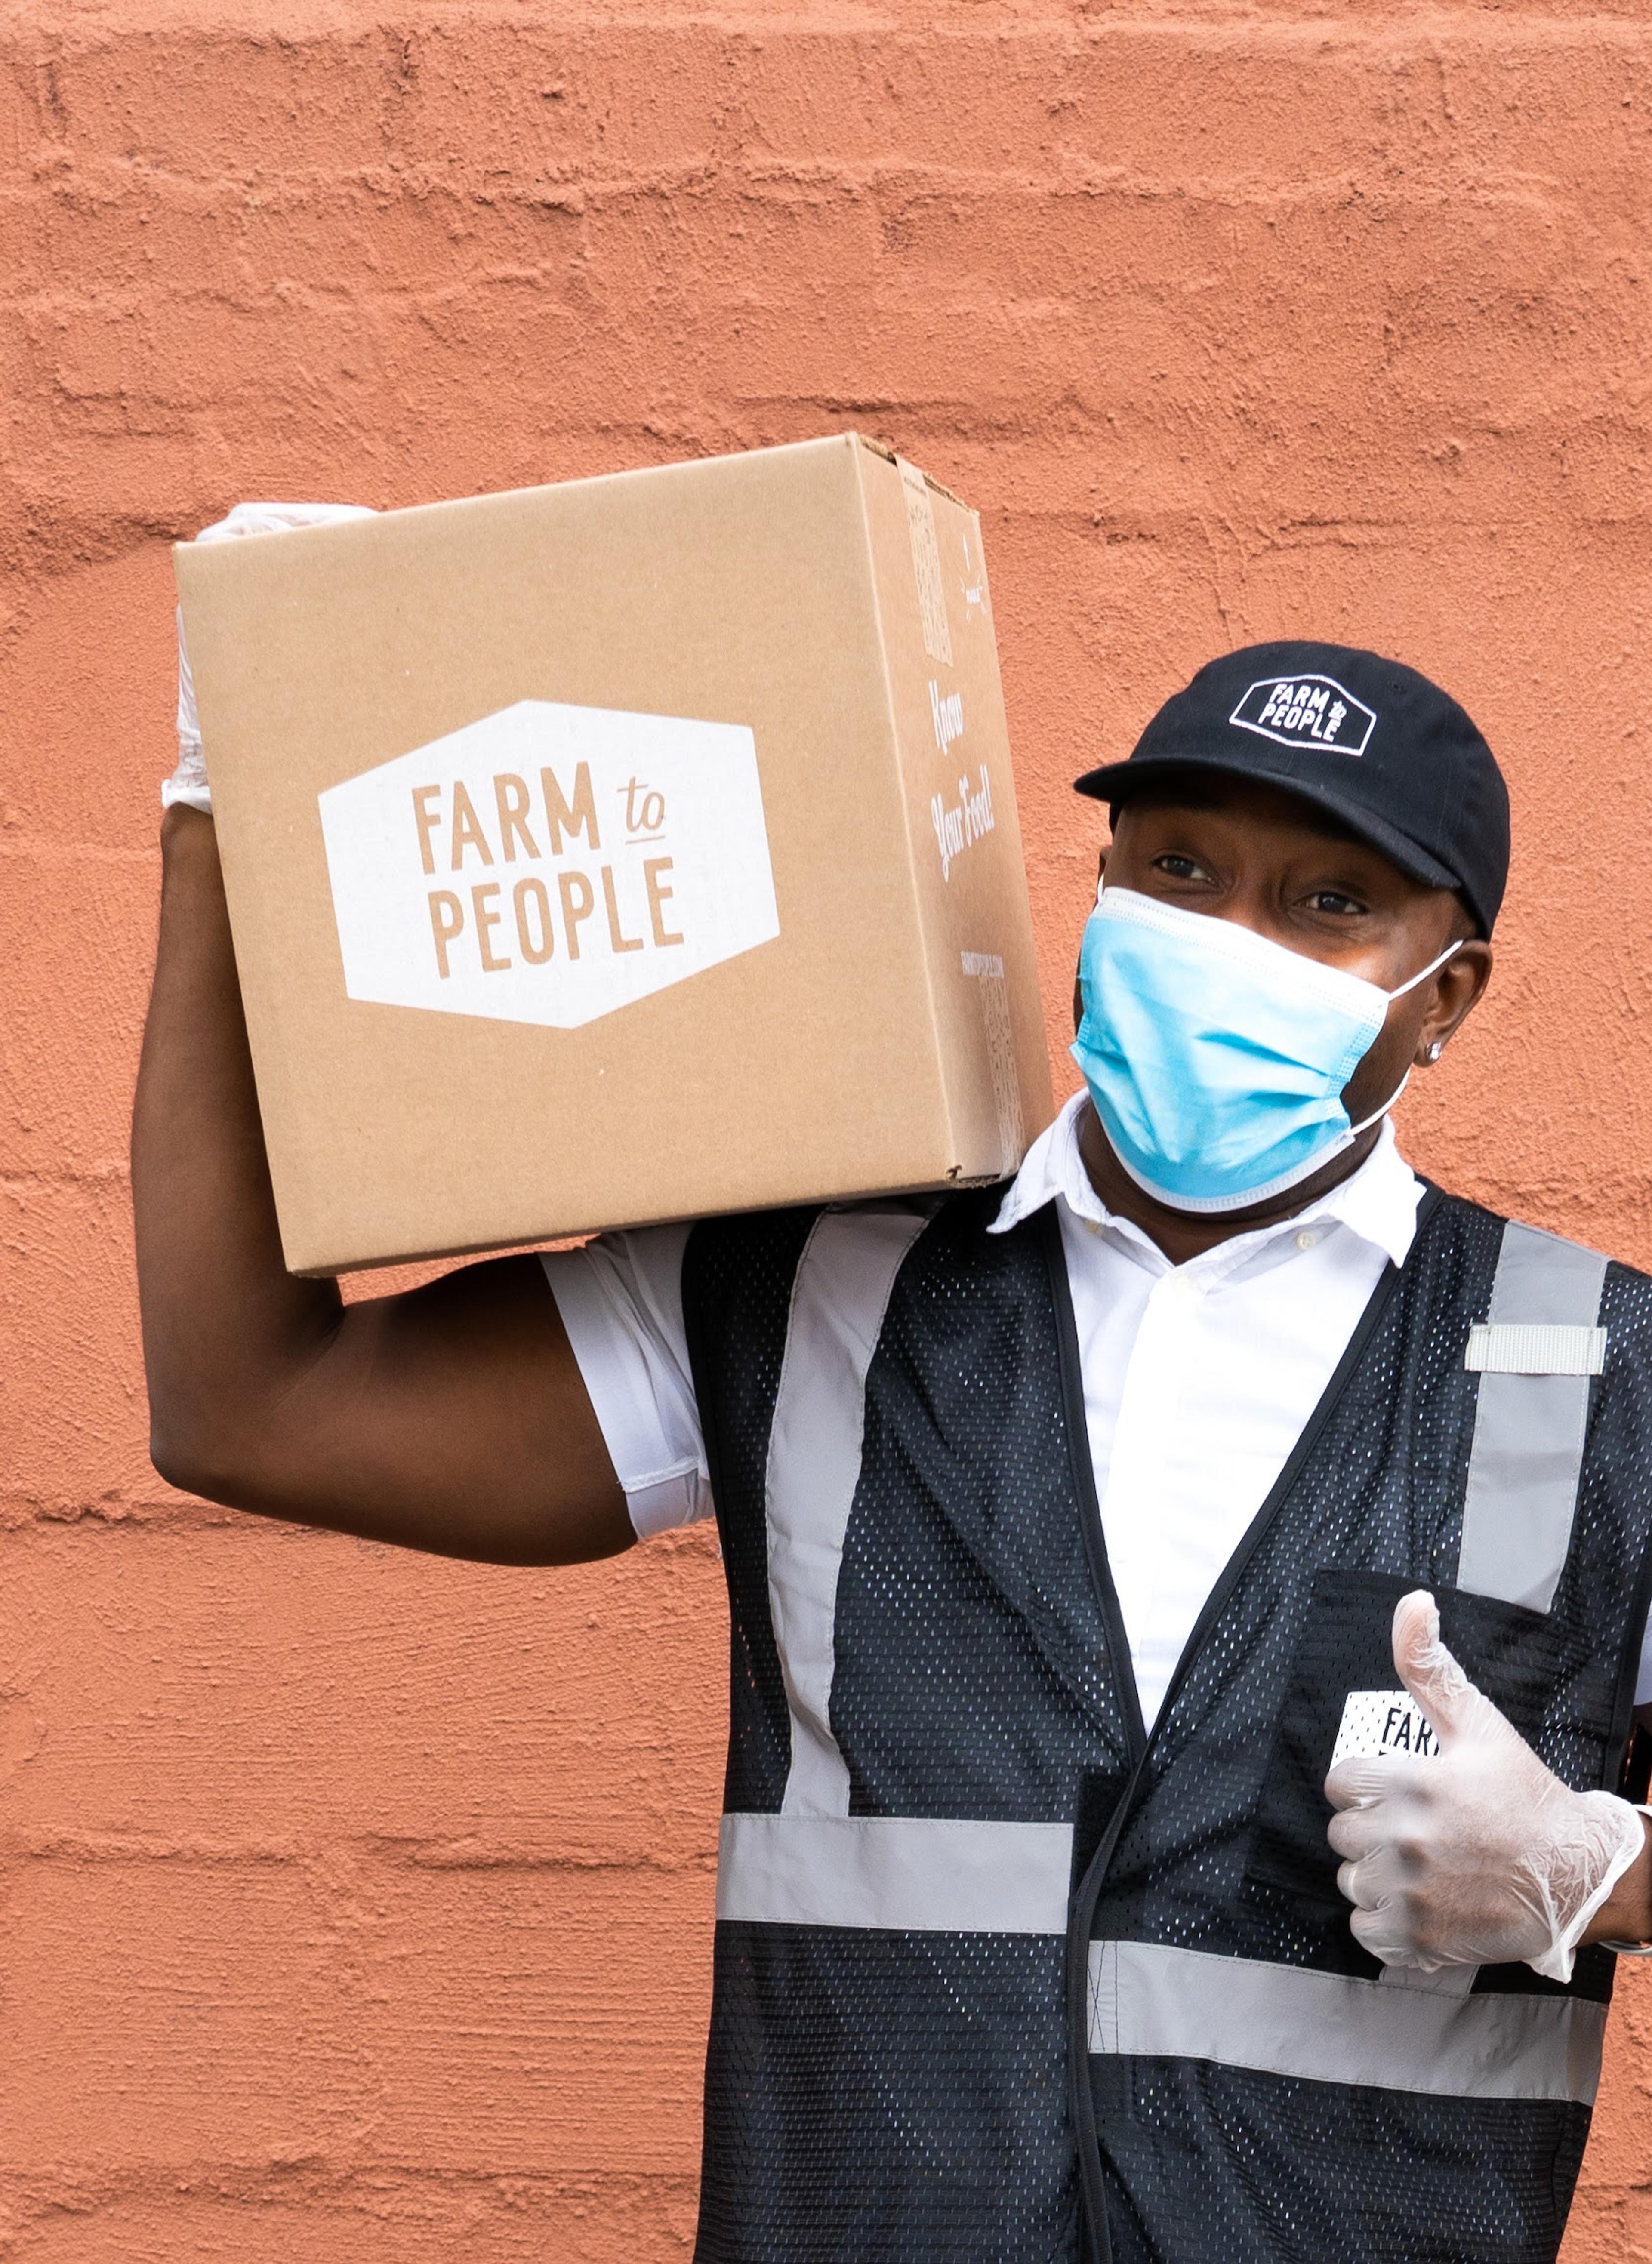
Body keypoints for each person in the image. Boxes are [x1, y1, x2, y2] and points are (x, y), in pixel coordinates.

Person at [134, 508, 1652, 2264]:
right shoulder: (809, 1273)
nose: (1226, 933)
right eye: (1176, 868)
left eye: (1330, 904)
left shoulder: (1601, 1368)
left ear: (1444, 992)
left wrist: (1590, 1870)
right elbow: (256, 1401)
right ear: (1097, 891)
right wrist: (216, 821)